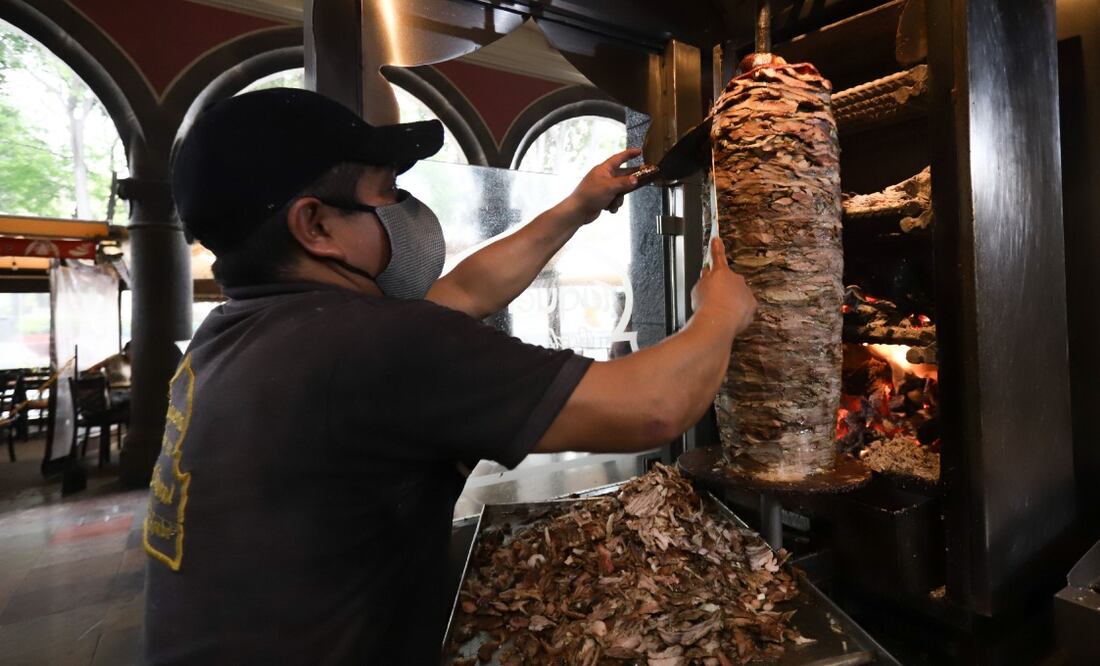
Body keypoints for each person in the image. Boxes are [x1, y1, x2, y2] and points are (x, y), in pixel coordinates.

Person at [143, 88, 756, 665]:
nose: (407, 211)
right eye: (388, 193)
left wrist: (577, 206)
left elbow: (465, 291)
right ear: (317, 226)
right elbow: (652, 406)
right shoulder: (369, 345)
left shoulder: (238, 334)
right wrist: (720, 314)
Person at [85, 340, 131, 408]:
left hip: (131, 392)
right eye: (131, 350)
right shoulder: (115, 359)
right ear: (126, 350)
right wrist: (102, 376)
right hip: (116, 392)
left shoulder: (136, 362)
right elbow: (93, 369)